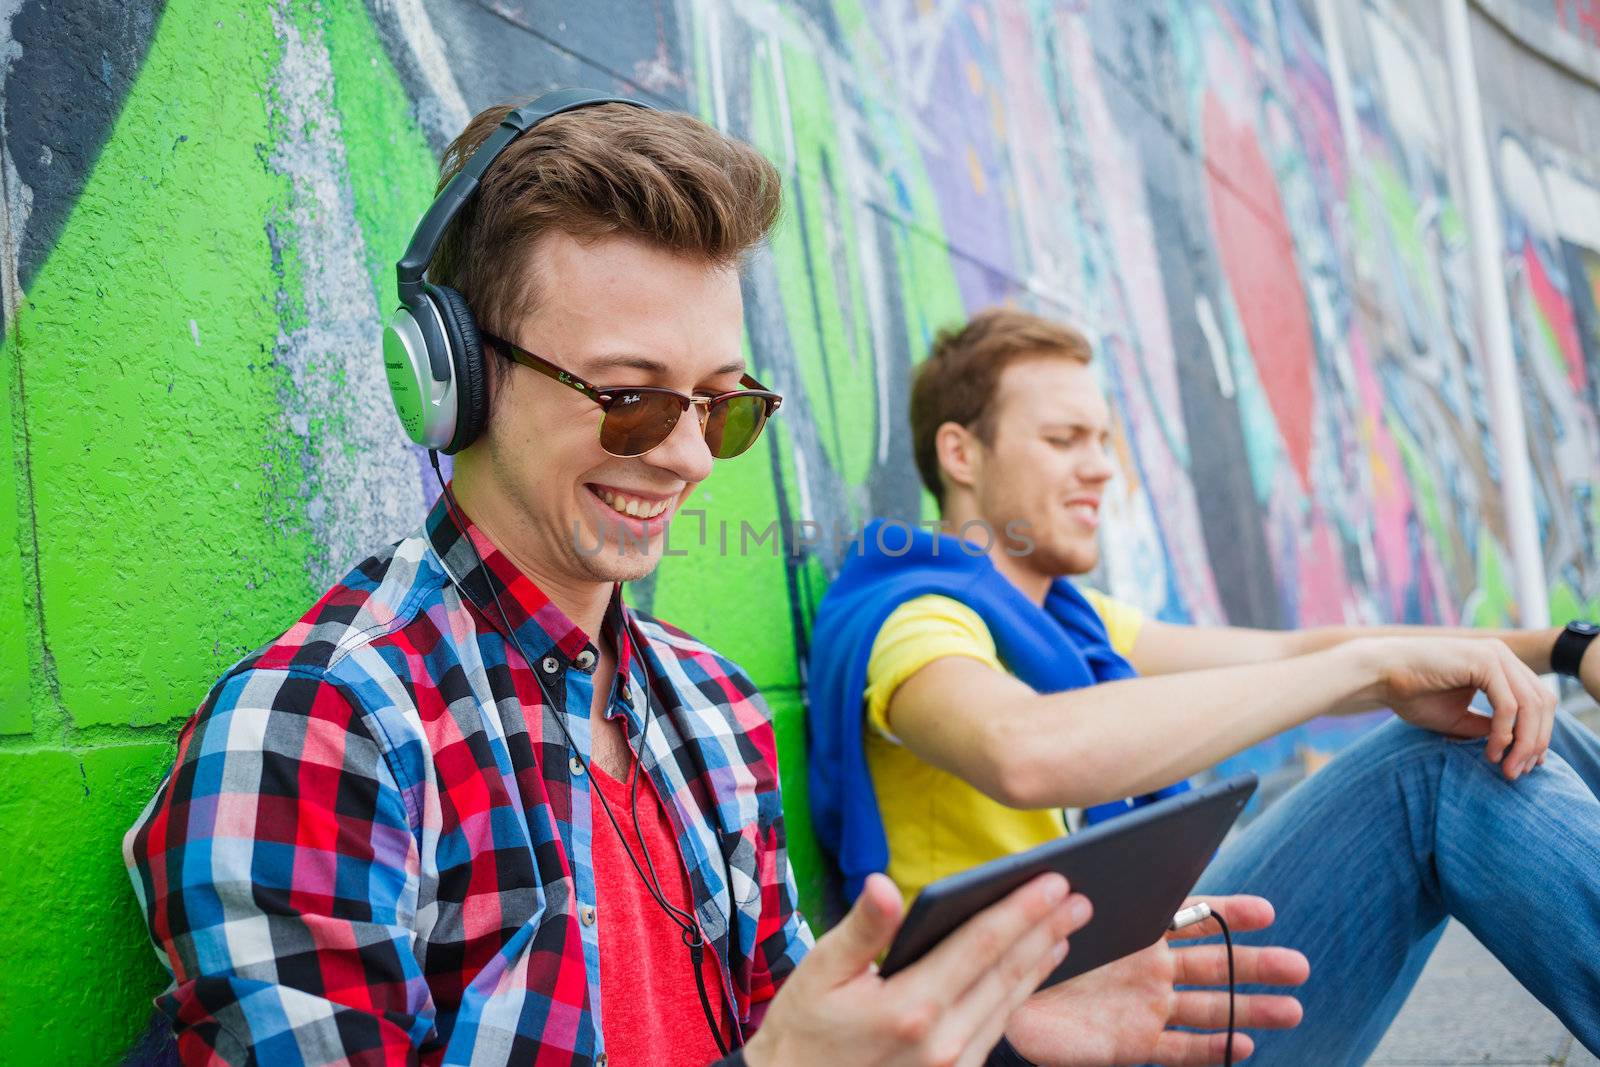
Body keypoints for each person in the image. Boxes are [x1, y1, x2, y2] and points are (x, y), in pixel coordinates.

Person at [122, 95, 1306, 1067]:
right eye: (631, 397)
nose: (686, 455)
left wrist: (989, 1034)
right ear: (459, 376)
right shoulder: (326, 727)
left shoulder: (711, 706)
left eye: (723, 405)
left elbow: (780, 1029)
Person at [806, 307, 1600, 1065]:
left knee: (1531, 726)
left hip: (1135, 989)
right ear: (960, 454)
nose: (1101, 466)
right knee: (1440, 768)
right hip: (1044, 1038)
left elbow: (1292, 649)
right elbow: (1023, 750)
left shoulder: (1071, 624)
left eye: (1105, 439)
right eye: (1064, 438)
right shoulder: (919, 617)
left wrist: (1562, 649)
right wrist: (1368, 669)